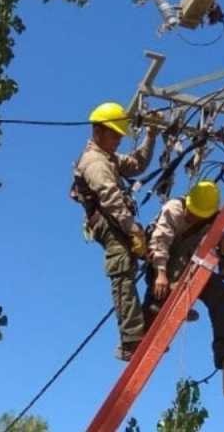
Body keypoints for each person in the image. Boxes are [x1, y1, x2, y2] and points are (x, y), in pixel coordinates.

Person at [71, 101, 157, 361]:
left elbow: (137, 165)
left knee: (158, 250)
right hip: (108, 224)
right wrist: (133, 230)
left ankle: (157, 305)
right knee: (123, 271)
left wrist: (150, 136)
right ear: (98, 131)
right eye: (115, 135)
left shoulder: (108, 157)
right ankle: (131, 341)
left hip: (119, 221)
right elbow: (110, 199)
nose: (119, 140)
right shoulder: (94, 163)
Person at [144, 181, 224, 369]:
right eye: (193, 213)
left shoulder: (214, 221)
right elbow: (159, 242)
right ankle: (150, 322)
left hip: (191, 266)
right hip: (163, 262)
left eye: (199, 216)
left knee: (220, 293)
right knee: (159, 292)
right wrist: (161, 274)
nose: (194, 218)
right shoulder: (174, 209)